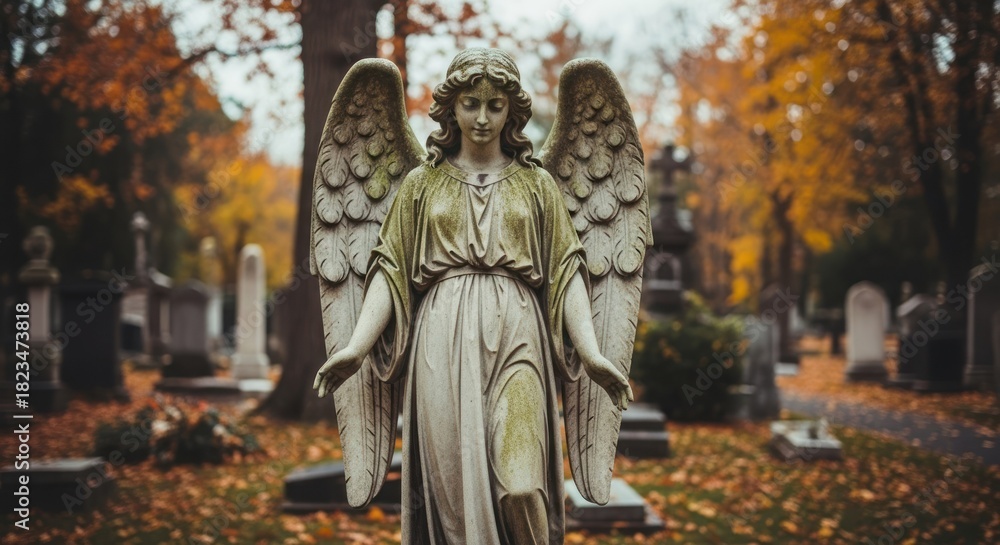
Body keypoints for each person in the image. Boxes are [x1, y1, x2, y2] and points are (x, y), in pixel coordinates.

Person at [314, 48, 631, 545]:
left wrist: (590, 352)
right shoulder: (421, 184)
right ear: (451, 108)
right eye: (470, 103)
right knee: (453, 506)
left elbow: (568, 271)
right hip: (440, 341)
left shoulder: (538, 184)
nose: (482, 118)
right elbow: (390, 270)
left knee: (522, 488)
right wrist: (355, 347)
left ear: (512, 111)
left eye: (496, 105)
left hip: (519, 336)